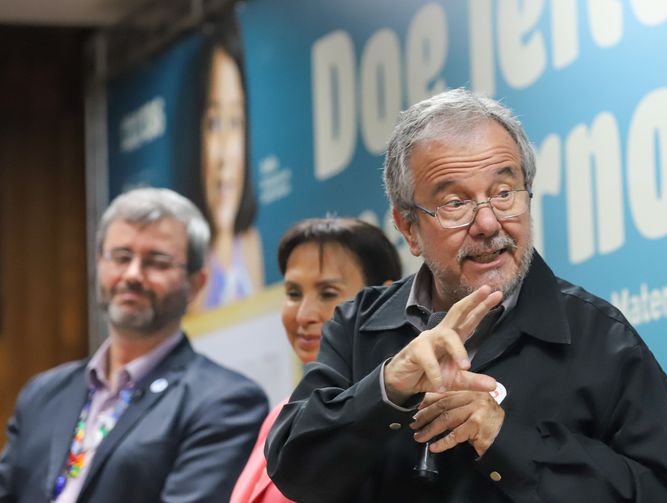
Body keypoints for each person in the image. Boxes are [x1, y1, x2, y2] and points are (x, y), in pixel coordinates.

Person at [265, 89, 667, 502]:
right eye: (455, 203)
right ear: (408, 228)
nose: (489, 223)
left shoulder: (600, 338)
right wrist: (388, 387)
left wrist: (505, 439)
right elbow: (293, 467)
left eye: (503, 193)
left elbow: (666, 495)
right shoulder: (359, 325)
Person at [0, 187, 269, 503]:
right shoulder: (42, 394)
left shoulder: (227, 403)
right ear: (99, 265)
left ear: (196, 284)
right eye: (121, 257)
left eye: (156, 261)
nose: (132, 274)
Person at [230, 218, 402, 503]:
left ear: (384, 299)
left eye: (328, 293)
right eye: (293, 294)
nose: (304, 315)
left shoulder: (394, 416)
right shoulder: (281, 413)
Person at [188, 10, 264, 311]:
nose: (225, 155)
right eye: (214, 124)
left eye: (235, 123)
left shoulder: (249, 244)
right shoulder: (188, 261)